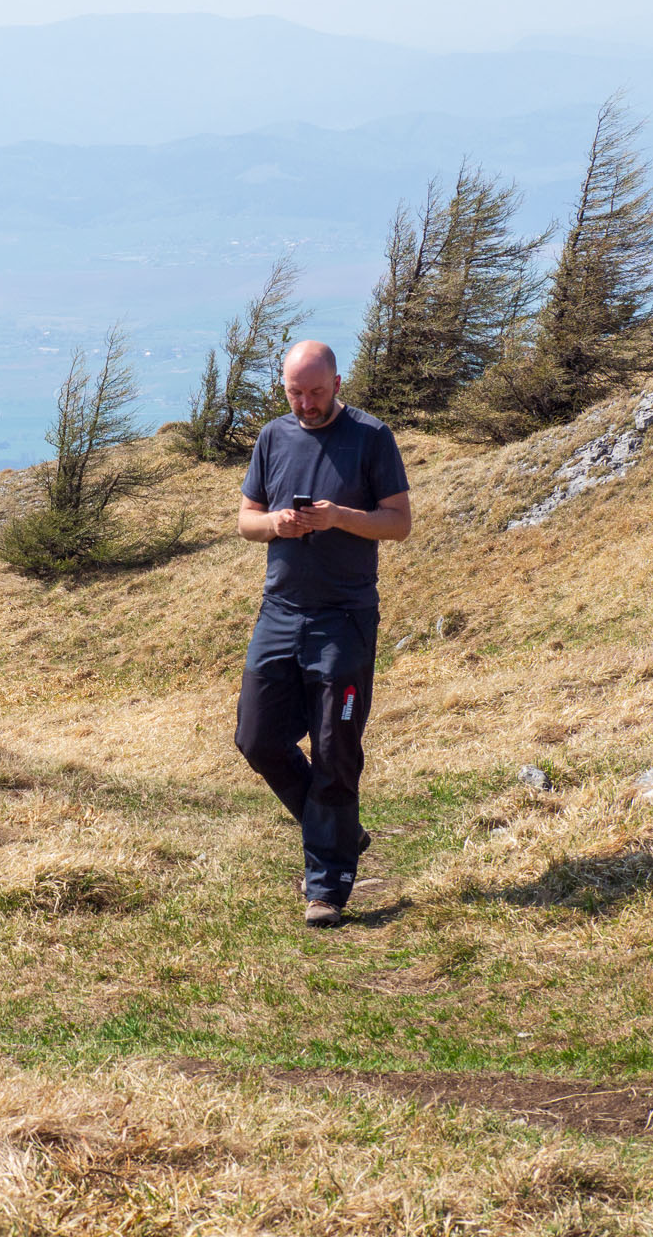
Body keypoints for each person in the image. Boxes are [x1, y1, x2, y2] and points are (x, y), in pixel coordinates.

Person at [234, 340, 412, 929]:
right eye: (295, 392)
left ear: (338, 383)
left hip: (344, 619)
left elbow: (399, 522)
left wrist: (339, 517)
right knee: (257, 740)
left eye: (315, 391)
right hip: (280, 614)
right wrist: (277, 525)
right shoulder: (272, 438)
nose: (306, 404)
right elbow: (245, 521)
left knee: (336, 751)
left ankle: (327, 887)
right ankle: (338, 830)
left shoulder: (372, 437)